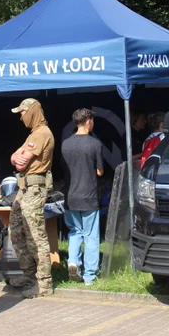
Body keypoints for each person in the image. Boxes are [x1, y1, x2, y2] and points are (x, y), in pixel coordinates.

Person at [8, 98, 55, 298]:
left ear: (32, 112)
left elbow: (21, 162)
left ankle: (44, 282)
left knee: (36, 235)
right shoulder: (34, 134)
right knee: (16, 230)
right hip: (24, 188)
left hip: (34, 189)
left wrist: (17, 158)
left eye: (22, 113)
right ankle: (29, 274)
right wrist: (14, 156)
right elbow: (14, 157)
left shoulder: (42, 133)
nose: (21, 117)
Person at [62, 108, 105, 285]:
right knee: (91, 236)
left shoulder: (65, 143)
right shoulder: (95, 144)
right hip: (89, 196)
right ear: (88, 121)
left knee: (75, 231)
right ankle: (89, 276)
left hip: (70, 196)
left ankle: (73, 261)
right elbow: (100, 171)